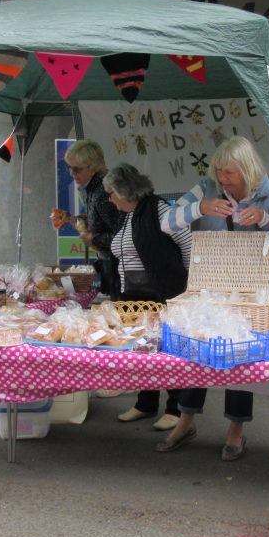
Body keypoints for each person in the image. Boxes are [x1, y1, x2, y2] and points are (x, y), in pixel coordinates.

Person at [158, 135, 269, 459]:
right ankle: (186, 420)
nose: (223, 179)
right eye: (220, 171)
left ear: (248, 170)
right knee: (199, 348)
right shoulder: (206, 187)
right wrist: (200, 207)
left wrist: (265, 220)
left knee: (239, 354)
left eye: (229, 173)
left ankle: (236, 429)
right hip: (209, 284)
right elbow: (165, 222)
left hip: (252, 287)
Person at [102, 163, 193, 433]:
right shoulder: (131, 214)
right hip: (135, 295)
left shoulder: (160, 209)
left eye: (111, 193)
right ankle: (146, 402)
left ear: (124, 190)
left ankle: (175, 408)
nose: (109, 199)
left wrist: (183, 285)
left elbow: (187, 244)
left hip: (161, 292)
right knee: (143, 350)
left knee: (168, 350)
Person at [62, 140, 123, 300]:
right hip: (111, 264)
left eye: (77, 169)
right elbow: (102, 222)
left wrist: (94, 238)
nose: (71, 173)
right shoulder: (93, 188)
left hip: (120, 268)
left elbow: (123, 234)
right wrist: (79, 221)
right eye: (69, 167)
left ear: (93, 167)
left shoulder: (103, 191)